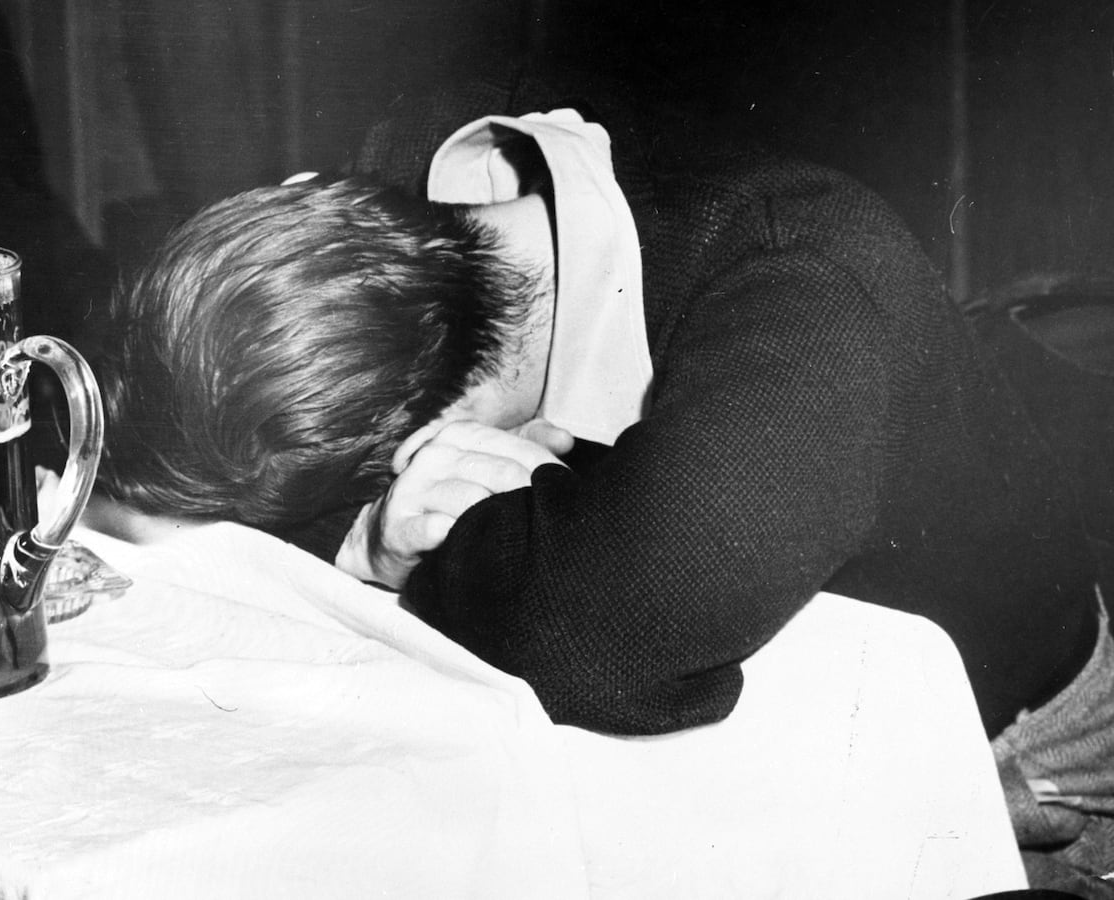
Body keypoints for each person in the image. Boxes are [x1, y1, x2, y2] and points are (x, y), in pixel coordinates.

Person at [87, 66, 1114, 892]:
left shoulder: (802, 287)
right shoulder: (399, 202)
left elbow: (607, 642)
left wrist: (397, 549)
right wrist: (367, 534)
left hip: (1006, 747)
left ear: (439, 435)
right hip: (730, 684)